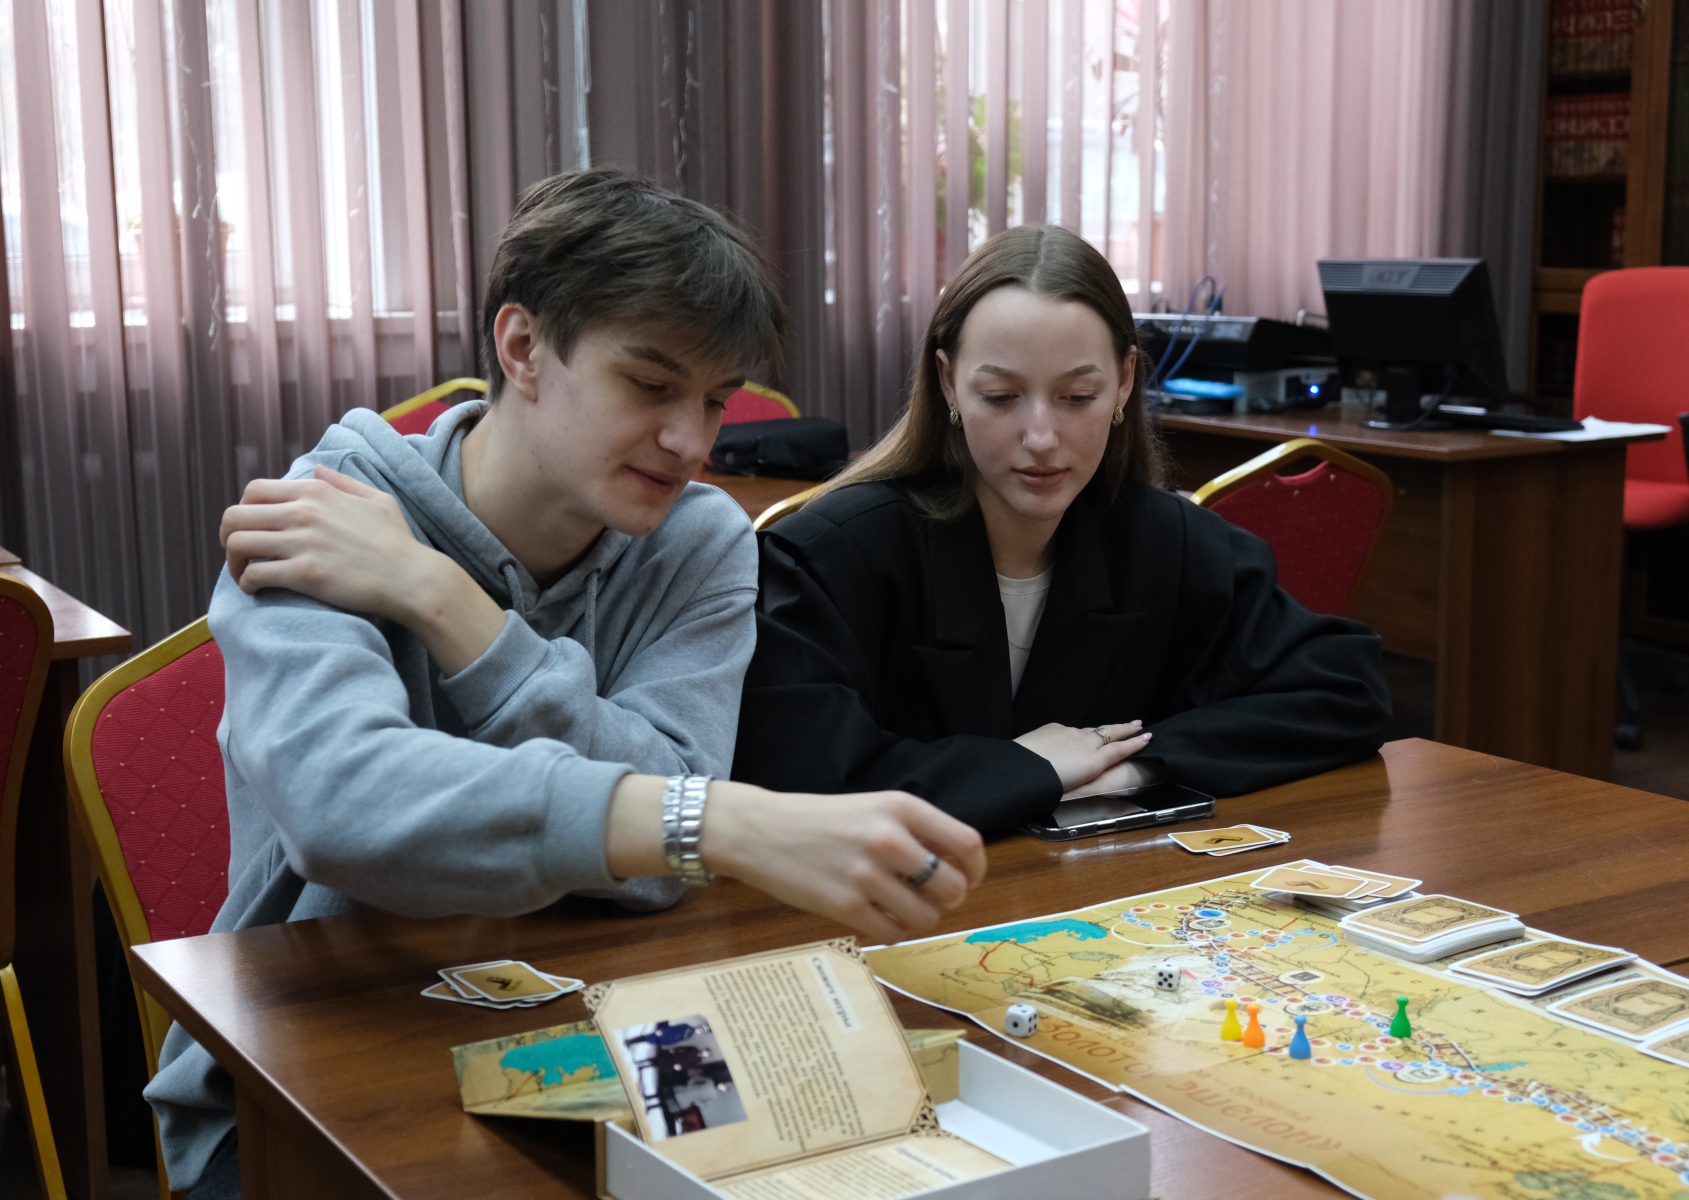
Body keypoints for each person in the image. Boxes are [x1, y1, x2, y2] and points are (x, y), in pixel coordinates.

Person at [145, 168, 984, 1200]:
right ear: (522, 347)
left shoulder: (701, 541)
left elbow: (655, 870)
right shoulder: (326, 514)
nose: (692, 443)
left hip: (591, 1035)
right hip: (298, 1074)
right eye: (650, 385)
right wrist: (711, 821)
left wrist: (450, 605)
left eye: (714, 400)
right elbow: (344, 807)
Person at [734, 225, 1391, 834]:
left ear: (1124, 383)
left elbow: (1345, 688)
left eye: (1078, 397)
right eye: (1001, 397)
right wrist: (1030, 769)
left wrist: (1135, 764)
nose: (1042, 437)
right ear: (948, 383)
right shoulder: (833, 554)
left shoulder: (1166, 539)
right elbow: (794, 778)